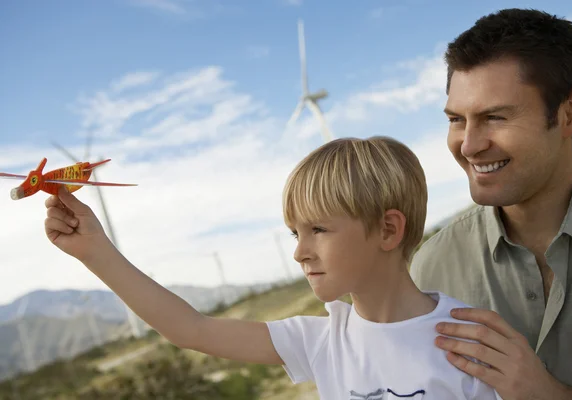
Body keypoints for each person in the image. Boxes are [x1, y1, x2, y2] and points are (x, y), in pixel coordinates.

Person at [44, 136, 497, 399]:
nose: (300, 252)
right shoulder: (319, 340)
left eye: (318, 229)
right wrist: (95, 252)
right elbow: (191, 329)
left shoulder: (472, 342)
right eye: (294, 234)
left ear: (387, 230)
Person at [410, 8, 572, 399]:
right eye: (456, 120)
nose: (469, 145)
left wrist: (553, 396)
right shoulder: (430, 269)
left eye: (494, 117)